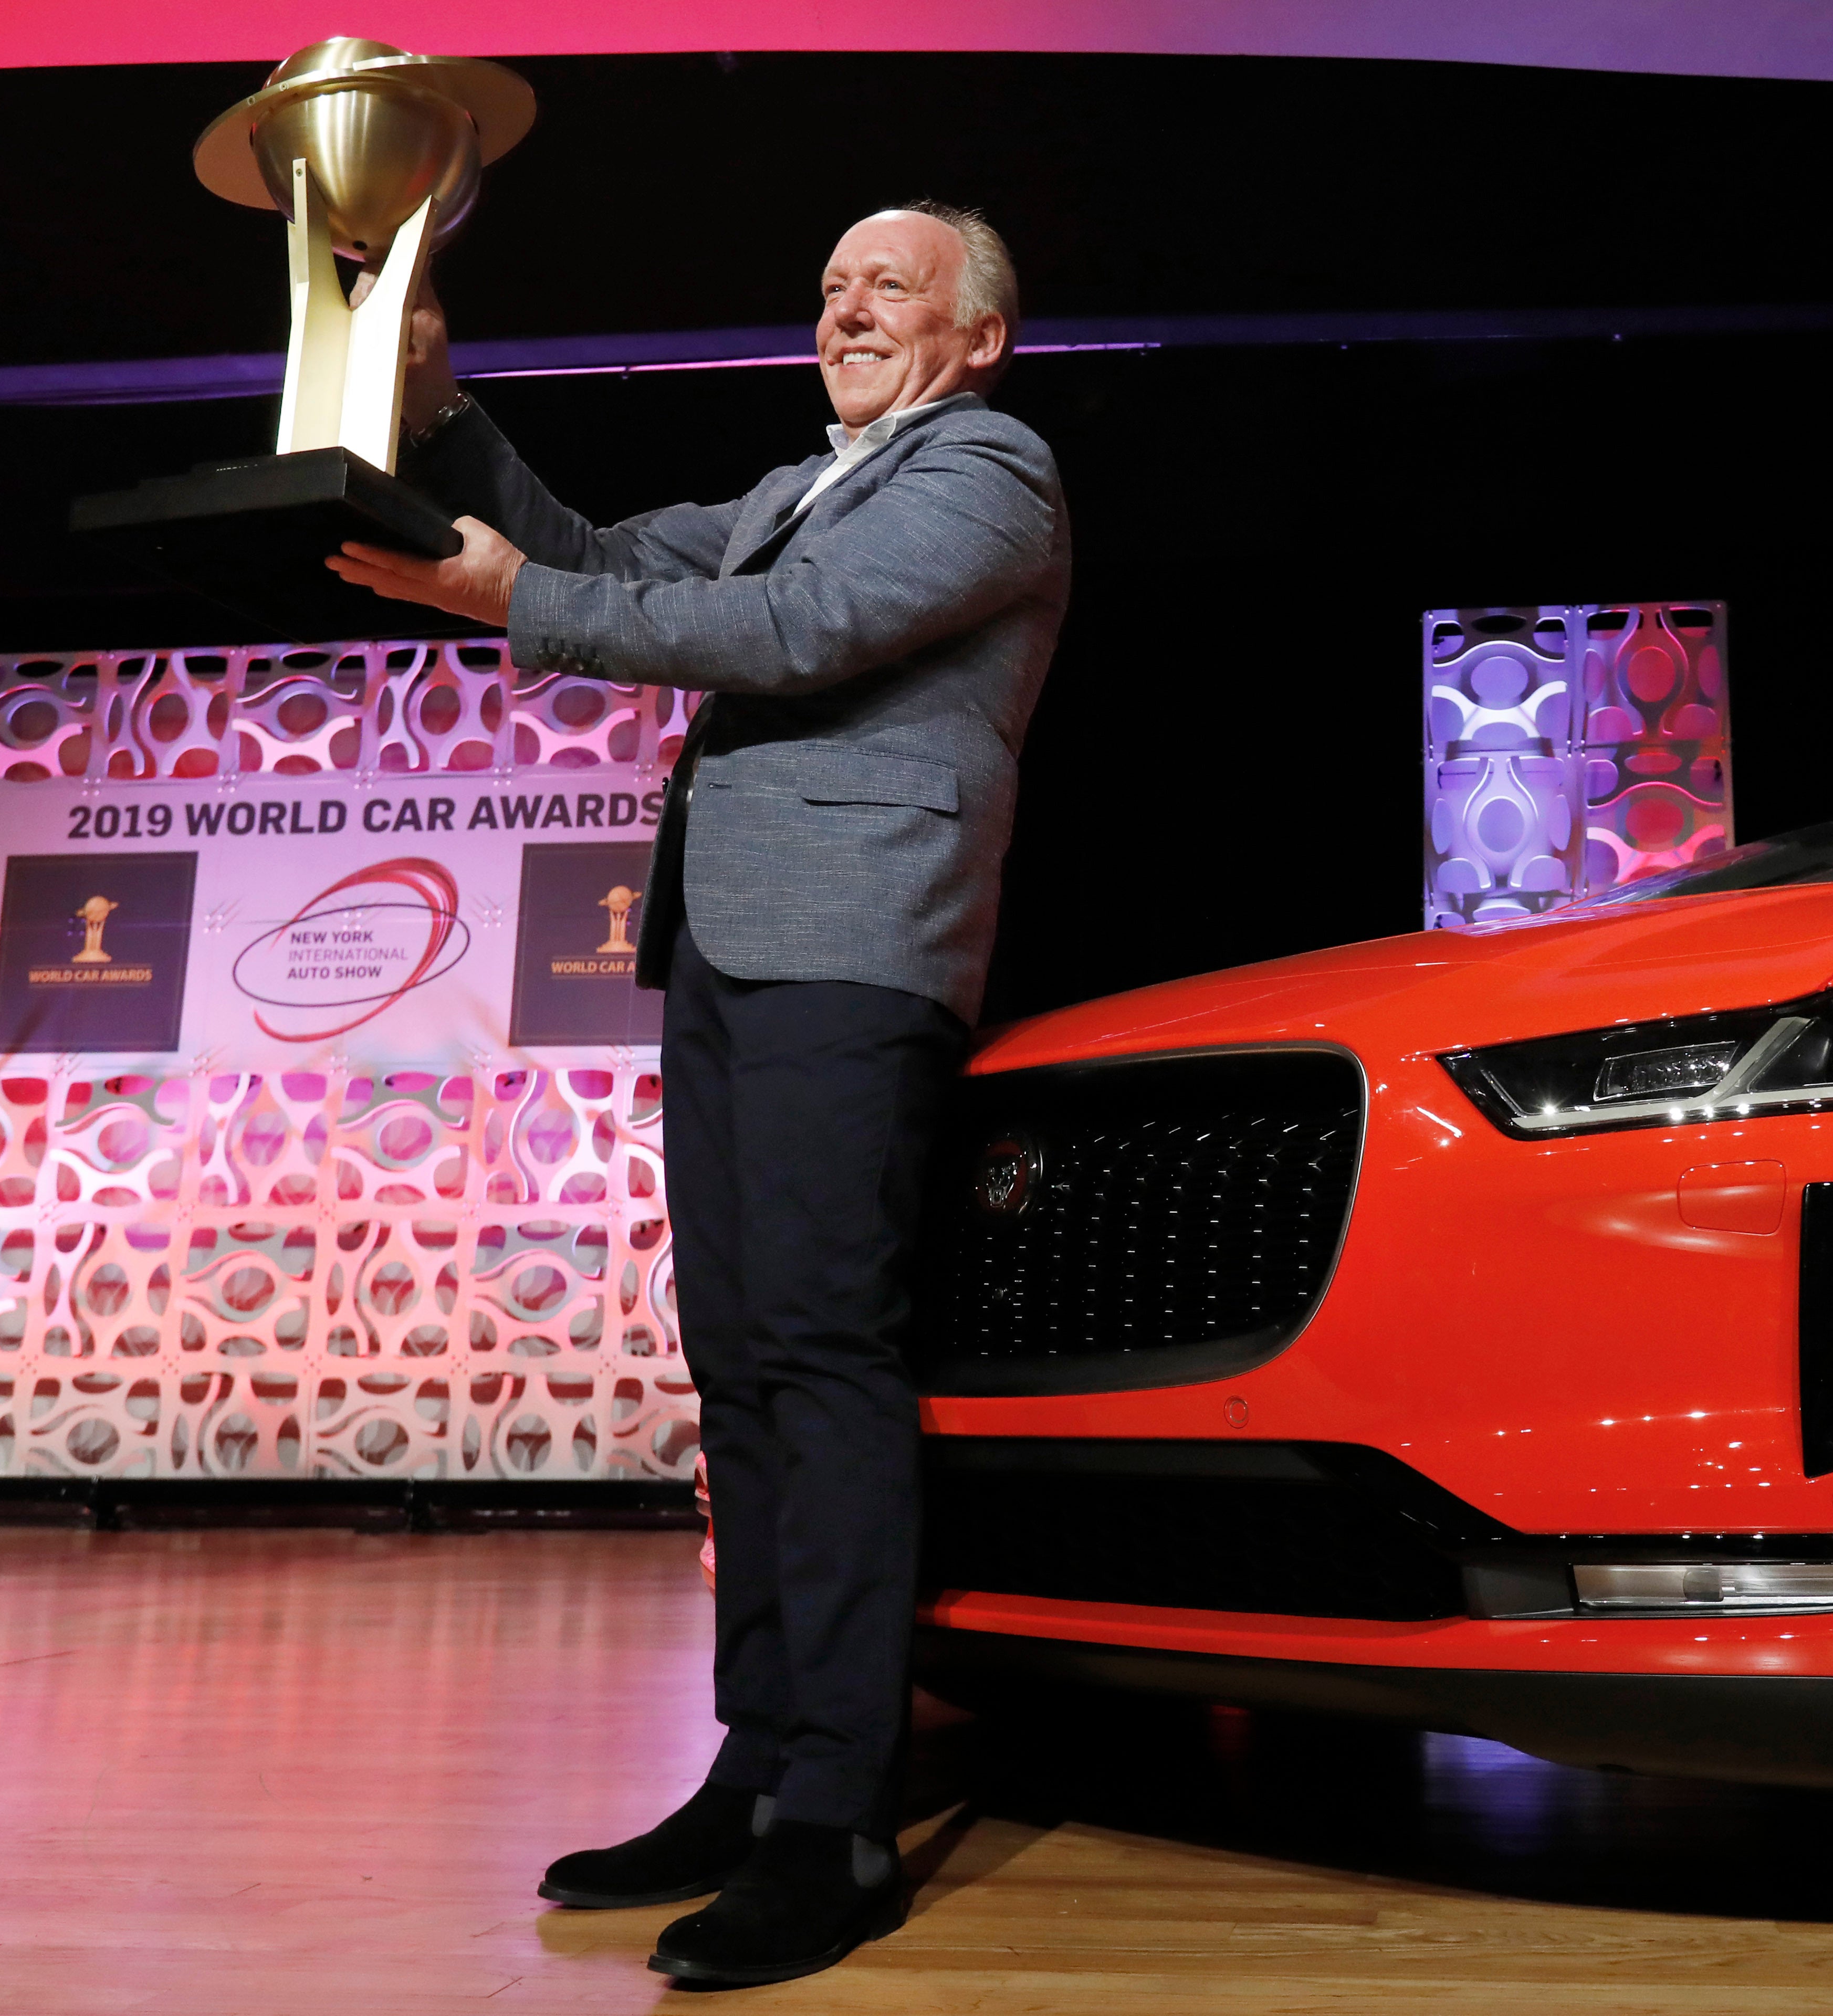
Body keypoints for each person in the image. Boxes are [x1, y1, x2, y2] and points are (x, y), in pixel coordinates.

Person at [328, 200, 1069, 1988]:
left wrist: (523, 602)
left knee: (821, 1355)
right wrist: (429, 399)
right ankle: (760, 1764)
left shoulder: (994, 469)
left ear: (976, 336)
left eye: (888, 285)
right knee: (742, 1364)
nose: (847, 310)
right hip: (733, 957)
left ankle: (839, 1820)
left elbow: (803, 634)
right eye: (827, 287)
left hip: (855, 951)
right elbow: (587, 549)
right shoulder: (784, 488)